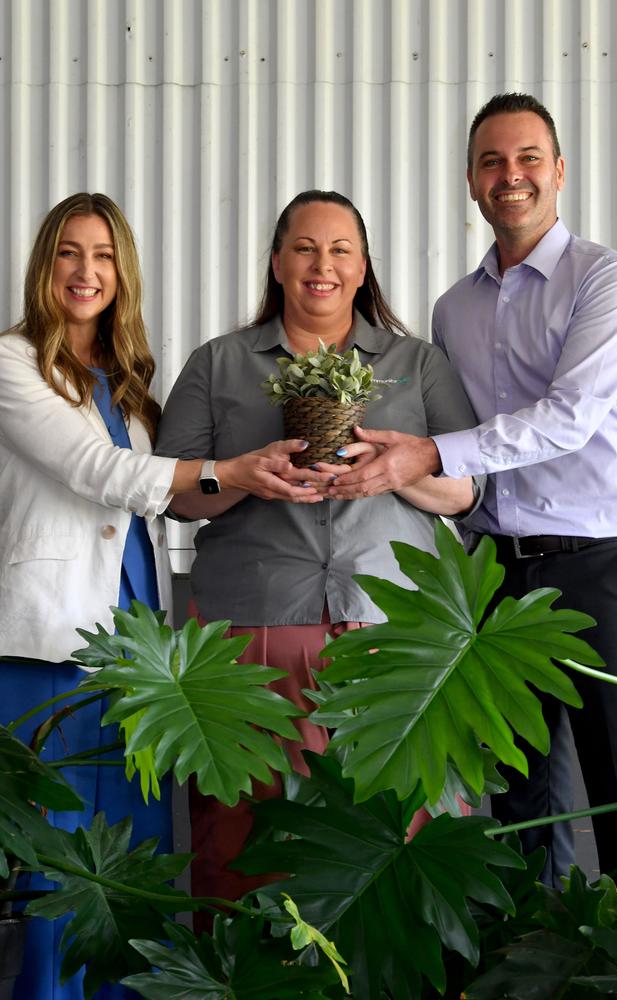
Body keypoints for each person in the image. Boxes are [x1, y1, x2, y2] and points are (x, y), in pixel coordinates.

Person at [0, 192, 331, 1000]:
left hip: (140, 655)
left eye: (104, 256)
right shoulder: (11, 363)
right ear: (45, 266)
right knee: (62, 866)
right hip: (50, 645)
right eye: (70, 253)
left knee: (136, 865)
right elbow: (99, 473)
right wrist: (234, 470)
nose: (87, 272)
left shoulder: (126, 382)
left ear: (124, 274)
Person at [329, 94, 617, 905]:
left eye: (528, 158)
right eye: (493, 162)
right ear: (472, 181)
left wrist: (430, 452)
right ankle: (526, 962)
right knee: (516, 798)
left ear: (559, 171)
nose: (512, 176)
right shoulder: (453, 308)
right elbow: (450, 438)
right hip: (494, 575)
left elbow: (569, 419)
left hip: (600, 567)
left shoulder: (607, 278)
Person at [155, 189, 483, 912]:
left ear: (363, 267)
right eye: (304, 248)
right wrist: (247, 477)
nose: (321, 265)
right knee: (247, 829)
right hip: (254, 624)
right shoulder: (221, 363)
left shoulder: (417, 362)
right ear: (276, 262)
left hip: (392, 628)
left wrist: (398, 471)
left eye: (340, 250)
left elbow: (468, 493)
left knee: (400, 824)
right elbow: (176, 492)